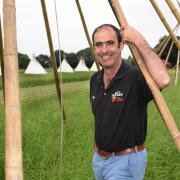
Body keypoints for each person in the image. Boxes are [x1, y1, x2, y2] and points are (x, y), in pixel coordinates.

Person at [90, 24, 170, 180]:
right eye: (99, 45)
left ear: (121, 45)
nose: (104, 50)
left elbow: (164, 79)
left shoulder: (136, 77)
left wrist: (138, 40)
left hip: (125, 162)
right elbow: (100, 119)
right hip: (99, 161)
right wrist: (96, 152)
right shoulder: (95, 80)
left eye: (110, 43)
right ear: (94, 48)